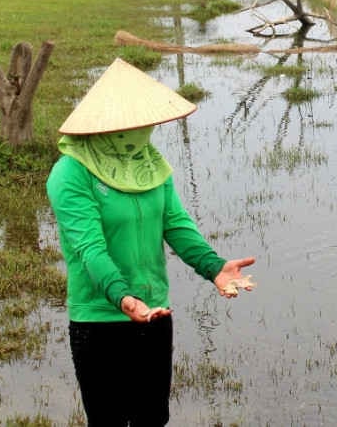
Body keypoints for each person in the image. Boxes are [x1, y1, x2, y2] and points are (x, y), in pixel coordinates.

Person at [46, 58, 255, 425]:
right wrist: (123, 297)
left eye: (147, 123)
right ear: (109, 125)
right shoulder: (70, 173)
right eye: (135, 124)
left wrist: (214, 267)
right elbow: (89, 248)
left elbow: (175, 224)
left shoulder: (151, 164)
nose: (144, 131)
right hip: (100, 320)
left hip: (156, 313)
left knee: (152, 419)